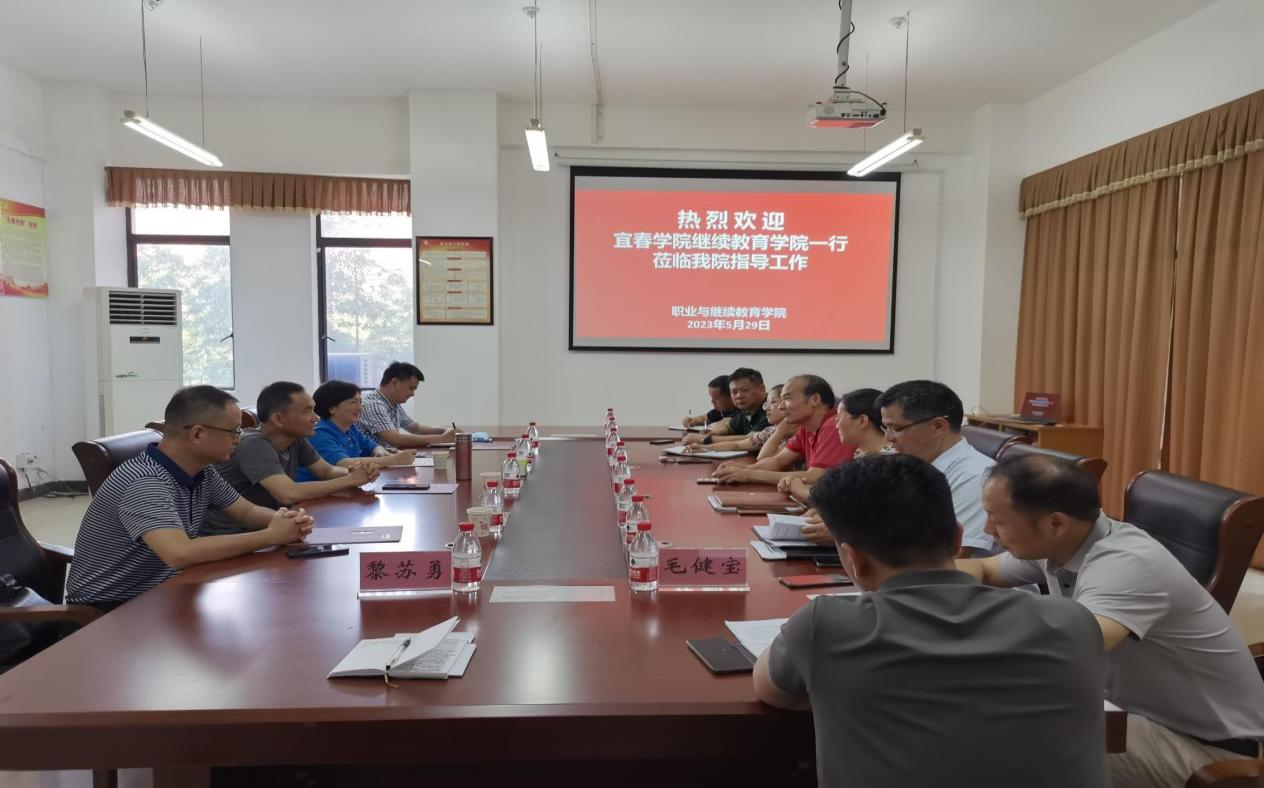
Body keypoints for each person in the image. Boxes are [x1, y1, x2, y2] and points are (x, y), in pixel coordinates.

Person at [754, 454, 1108, 788]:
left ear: (852, 559)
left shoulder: (824, 625)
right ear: (957, 539)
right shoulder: (1072, 621)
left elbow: (772, 691)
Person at [960, 454, 1264, 787]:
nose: (988, 530)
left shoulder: (1125, 565)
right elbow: (984, 568)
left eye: (998, 521)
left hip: (1210, 749)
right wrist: (921, 581)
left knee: (1006, 743)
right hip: (1136, 715)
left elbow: (1072, 647)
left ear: (1055, 523)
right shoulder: (1063, 543)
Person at [66, 386, 314, 610]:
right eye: (234, 431)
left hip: (165, 590)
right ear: (197, 434)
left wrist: (287, 520)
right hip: (112, 608)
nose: (238, 438)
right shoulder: (145, 481)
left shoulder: (202, 471)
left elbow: (247, 512)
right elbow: (180, 552)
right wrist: (271, 536)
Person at [202, 382, 378, 536]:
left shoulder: (295, 439)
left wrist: (358, 472)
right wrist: (350, 480)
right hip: (231, 533)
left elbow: (327, 470)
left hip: (271, 525)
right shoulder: (254, 444)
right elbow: (288, 493)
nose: (316, 418)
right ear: (279, 419)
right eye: (307, 411)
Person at [877, 380, 996, 556]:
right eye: (886, 428)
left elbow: (955, 556)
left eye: (895, 428)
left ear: (938, 426)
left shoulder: (975, 477)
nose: (888, 438)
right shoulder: (914, 464)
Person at [712, 375, 853, 486]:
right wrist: (744, 469)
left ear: (814, 399)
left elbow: (814, 477)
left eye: (787, 398)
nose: (781, 407)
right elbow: (778, 461)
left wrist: (749, 475)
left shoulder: (834, 426)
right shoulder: (806, 429)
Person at [780, 387, 890, 504]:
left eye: (839, 418)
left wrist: (798, 489)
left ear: (862, 421)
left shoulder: (887, 461)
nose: (836, 425)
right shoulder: (862, 453)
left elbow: (840, 502)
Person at [297, 380, 415, 481]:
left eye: (360, 402)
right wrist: (392, 460)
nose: (360, 407)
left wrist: (380, 452)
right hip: (314, 497)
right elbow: (344, 463)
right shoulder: (319, 433)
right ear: (332, 408)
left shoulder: (351, 428)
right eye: (353, 402)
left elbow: (372, 446)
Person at [358, 362, 456, 450]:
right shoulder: (374, 405)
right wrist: (441, 439)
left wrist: (444, 430)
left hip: (384, 457)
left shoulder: (393, 404)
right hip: (369, 461)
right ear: (394, 383)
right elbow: (395, 440)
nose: (412, 394)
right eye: (411, 388)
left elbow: (415, 428)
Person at [685, 384, 792, 460]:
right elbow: (737, 445)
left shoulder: (794, 433)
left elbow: (766, 460)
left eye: (773, 402)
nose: (766, 408)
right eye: (766, 404)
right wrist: (704, 447)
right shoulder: (769, 431)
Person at [679, 368, 767, 445]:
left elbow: (753, 439)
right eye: (734, 392)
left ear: (762, 389)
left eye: (744, 390)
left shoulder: (770, 408)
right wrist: (714, 433)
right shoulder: (747, 410)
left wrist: (704, 439)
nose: (739, 396)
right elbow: (727, 425)